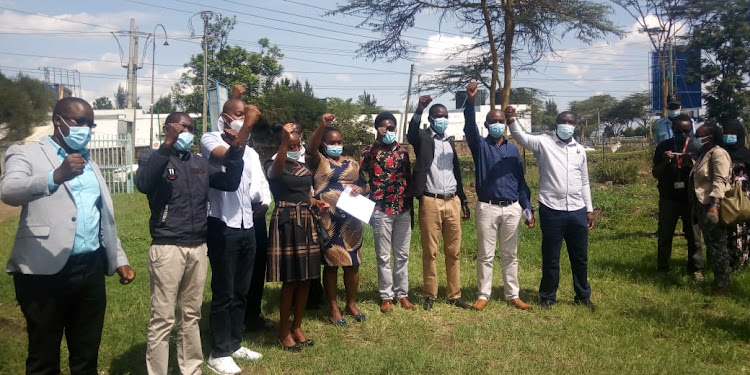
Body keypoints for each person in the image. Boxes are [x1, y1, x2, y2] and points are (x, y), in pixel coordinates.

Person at [0, 97, 135, 374]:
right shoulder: (25, 153)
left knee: (86, 351)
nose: (86, 129)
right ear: (57, 121)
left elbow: (101, 217)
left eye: (91, 124)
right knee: (44, 355)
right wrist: (55, 176)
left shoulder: (90, 163)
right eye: (79, 122)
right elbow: (9, 191)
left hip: (90, 269)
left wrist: (118, 258)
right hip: (43, 271)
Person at [136, 112, 244, 375]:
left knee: (191, 315)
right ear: (166, 128)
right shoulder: (153, 157)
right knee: (163, 318)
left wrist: (236, 149)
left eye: (191, 128)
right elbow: (144, 183)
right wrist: (167, 146)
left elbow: (229, 182)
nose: (187, 131)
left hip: (198, 246)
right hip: (168, 246)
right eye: (182, 126)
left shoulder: (199, 162)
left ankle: (191, 369)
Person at [507, 107, 596, 311]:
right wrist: (511, 120)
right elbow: (521, 137)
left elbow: (584, 181)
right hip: (551, 209)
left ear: (575, 126)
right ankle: (548, 296)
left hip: (577, 210)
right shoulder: (543, 143)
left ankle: (583, 295)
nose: (567, 125)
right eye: (563, 121)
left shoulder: (579, 150)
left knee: (580, 256)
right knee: (551, 256)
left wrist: (589, 209)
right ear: (557, 124)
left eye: (571, 122)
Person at [200, 97, 264, 374]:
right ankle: (219, 351)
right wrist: (247, 125)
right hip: (221, 223)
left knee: (241, 289)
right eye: (239, 115)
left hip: (246, 225)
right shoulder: (210, 138)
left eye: (246, 116)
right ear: (225, 117)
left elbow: (256, 184)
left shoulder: (250, 150)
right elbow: (227, 157)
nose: (243, 119)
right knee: (224, 291)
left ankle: (235, 343)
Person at [463, 83, 534, 311]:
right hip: (488, 207)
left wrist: (527, 208)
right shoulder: (480, 146)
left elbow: (520, 181)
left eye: (501, 121)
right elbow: (469, 128)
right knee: (485, 254)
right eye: (493, 121)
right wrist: (470, 101)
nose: (497, 124)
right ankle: (483, 295)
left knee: (510, 254)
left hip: (512, 207)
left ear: (505, 124)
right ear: (486, 125)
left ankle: (512, 295)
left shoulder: (513, 149)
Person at [407, 96, 472, 311]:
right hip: (430, 201)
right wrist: (419, 109)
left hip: (451, 200)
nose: (443, 119)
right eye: (439, 116)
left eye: (445, 116)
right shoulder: (423, 138)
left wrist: (462, 199)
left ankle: (454, 294)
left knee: (454, 251)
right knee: (430, 251)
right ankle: (429, 294)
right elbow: (410, 132)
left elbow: (456, 173)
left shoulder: (450, 141)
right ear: (431, 118)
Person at [266, 122, 325, 351]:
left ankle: (297, 326)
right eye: (290, 143)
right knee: (290, 280)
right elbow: (277, 174)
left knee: (306, 278)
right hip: (287, 221)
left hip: (306, 219)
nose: (294, 146)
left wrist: (315, 202)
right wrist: (283, 143)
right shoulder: (273, 162)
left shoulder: (304, 163)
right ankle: (283, 330)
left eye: (296, 142)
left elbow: (303, 193)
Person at [307, 113, 370, 324]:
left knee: (353, 263)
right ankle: (333, 307)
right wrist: (321, 124)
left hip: (351, 220)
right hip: (329, 219)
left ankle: (351, 303)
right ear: (324, 144)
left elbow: (366, 184)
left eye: (340, 141)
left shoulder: (352, 162)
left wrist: (361, 189)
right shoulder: (318, 161)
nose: (337, 145)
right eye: (332, 142)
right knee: (332, 265)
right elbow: (310, 148)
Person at [360, 111, 416, 313]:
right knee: (383, 256)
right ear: (377, 129)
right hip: (381, 210)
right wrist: (378, 141)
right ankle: (386, 296)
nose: (389, 130)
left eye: (391, 127)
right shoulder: (370, 151)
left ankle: (403, 294)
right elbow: (363, 168)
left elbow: (407, 181)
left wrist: (411, 213)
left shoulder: (403, 152)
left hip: (402, 209)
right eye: (384, 127)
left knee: (402, 255)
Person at [652, 114, 704, 280]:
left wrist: (693, 164)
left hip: (691, 198)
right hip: (669, 197)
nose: (683, 135)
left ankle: (696, 268)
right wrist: (664, 162)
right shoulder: (663, 147)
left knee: (694, 236)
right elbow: (655, 173)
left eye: (687, 131)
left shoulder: (697, 147)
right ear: (673, 130)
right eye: (679, 131)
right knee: (665, 235)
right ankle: (662, 268)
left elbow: (705, 176)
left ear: (691, 131)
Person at [691, 123, 732, 295]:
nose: (696, 139)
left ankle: (723, 285)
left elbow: (719, 181)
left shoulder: (718, 153)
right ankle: (717, 280)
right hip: (702, 205)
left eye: (699, 136)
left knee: (717, 246)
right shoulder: (703, 154)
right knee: (711, 244)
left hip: (712, 205)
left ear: (710, 137)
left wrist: (714, 206)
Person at [722, 120, 750, 269]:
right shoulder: (720, 152)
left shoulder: (746, 154)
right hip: (724, 196)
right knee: (726, 227)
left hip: (743, 196)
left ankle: (742, 262)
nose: (729, 136)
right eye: (726, 133)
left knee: (742, 227)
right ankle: (725, 262)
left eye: (732, 133)